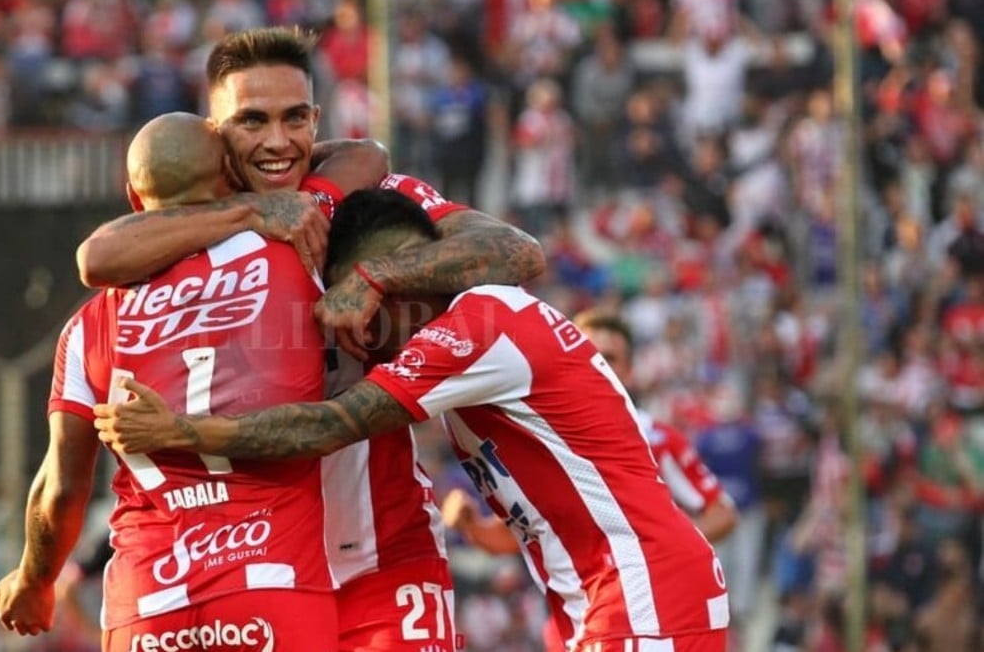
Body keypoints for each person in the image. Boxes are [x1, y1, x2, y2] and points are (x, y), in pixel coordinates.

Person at [75, 26, 545, 652]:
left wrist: (377, 275)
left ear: (316, 121)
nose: (278, 142)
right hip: (248, 573)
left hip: (385, 562)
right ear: (214, 136)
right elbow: (98, 256)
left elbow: (515, 251)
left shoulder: (369, 205)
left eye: (295, 118)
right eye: (252, 121)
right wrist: (249, 212)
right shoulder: (188, 231)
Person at [99, 188, 731, 652]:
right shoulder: (484, 333)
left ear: (394, 287)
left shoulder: (481, 324)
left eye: (359, 313)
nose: (360, 341)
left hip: (642, 593)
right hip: (604, 596)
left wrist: (181, 431)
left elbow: (330, 426)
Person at [0, 112, 385, 651]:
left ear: (134, 198)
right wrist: (254, 180)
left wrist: (34, 579)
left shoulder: (86, 327)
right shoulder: (296, 251)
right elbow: (366, 155)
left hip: (146, 603)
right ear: (229, 174)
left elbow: (62, 487)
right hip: (271, 580)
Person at [439, 311, 739, 652]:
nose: (596, 364)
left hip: (651, 610)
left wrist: (648, 551)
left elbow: (722, 513)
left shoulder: (656, 437)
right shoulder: (546, 440)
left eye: (609, 357)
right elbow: (527, 532)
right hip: (578, 611)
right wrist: (470, 525)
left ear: (630, 371)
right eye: (587, 353)